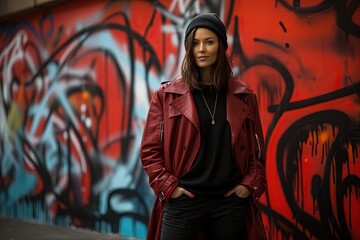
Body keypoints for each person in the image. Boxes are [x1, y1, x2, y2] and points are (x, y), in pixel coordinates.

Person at [140, 13, 267, 240]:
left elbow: (257, 154)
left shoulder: (245, 97)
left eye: (209, 42)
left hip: (229, 204)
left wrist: (246, 187)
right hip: (183, 202)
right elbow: (149, 151)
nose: (202, 49)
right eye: (196, 43)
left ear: (220, 46)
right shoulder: (166, 95)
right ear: (189, 48)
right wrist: (170, 188)